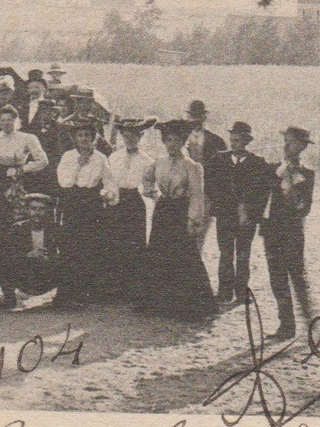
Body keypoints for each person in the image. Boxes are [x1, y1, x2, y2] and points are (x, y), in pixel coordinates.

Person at [139, 118, 218, 320]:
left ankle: (187, 305)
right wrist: (152, 192)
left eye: (176, 140)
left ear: (183, 142)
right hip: (164, 210)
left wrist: (193, 219)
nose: (172, 144)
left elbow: (196, 194)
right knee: (159, 253)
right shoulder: (159, 162)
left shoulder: (192, 166)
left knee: (183, 255)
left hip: (181, 212)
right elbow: (147, 178)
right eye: (168, 140)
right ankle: (159, 303)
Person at [0, 104, 51, 309]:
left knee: (17, 225)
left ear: (16, 120)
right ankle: (2, 276)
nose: (6, 123)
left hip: (16, 184)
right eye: (2, 119)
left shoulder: (27, 138)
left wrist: (23, 169)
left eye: (10, 119)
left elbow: (43, 161)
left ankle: (23, 278)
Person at [210, 121, 274, 307]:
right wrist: (219, 205)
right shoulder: (219, 160)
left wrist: (250, 212)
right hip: (225, 216)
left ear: (246, 141)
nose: (234, 143)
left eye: (238, 140)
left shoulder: (258, 163)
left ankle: (241, 292)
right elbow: (211, 185)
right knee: (225, 254)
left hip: (247, 218)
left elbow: (263, 193)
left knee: (243, 255)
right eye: (232, 139)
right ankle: (224, 292)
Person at [262, 127, 316, 340]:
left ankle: (312, 323)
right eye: (284, 141)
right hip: (272, 229)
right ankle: (286, 325)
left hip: (292, 231)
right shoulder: (274, 169)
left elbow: (305, 208)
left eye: (291, 142)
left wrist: (292, 186)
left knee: (297, 276)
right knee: (277, 277)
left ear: (302, 146)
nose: (285, 146)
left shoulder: (307, 173)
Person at [53, 119, 110, 308]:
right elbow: (64, 182)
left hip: (93, 203)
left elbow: (109, 181)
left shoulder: (101, 158)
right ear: (74, 138)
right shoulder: (68, 157)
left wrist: (106, 193)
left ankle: (88, 292)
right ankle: (68, 294)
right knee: (71, 246)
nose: (84, 139)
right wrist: (79, 164)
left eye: (87, 135)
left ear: (93, 138)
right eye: (80, 135)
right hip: (73, 202)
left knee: (91, 246)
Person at [100, 118, 156, 301]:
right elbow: (107, 180)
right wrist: (107, 194)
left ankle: (131, 288)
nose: (130, 139)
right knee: (112, 241)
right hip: (115, 200)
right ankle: (111, 287)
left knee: (132, 244)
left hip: (133, 202)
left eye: (134, 136)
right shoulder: (114, 157)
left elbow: (148, 187)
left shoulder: (147, 161)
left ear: (140, 136)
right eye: (126, 136)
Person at [184, 100, 227, 169]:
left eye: (199, 115)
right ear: (189, 117)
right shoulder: (180, 140)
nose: (196, 119)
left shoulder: (216, 140)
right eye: (193, 115)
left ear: (204, 117)